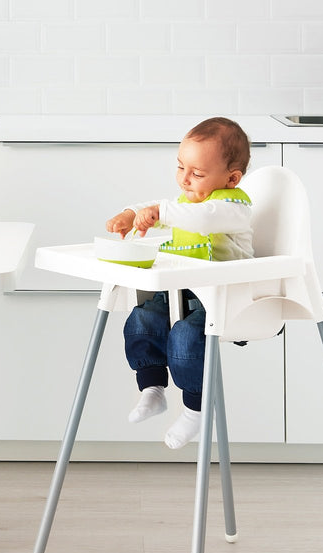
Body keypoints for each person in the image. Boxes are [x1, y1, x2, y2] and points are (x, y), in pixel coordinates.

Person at [106, 117, 253, 449]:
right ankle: (152, 388)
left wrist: (159, 212)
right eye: (180, 167)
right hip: (183, 289)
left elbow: (200, 217)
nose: (185, 180)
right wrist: (132, 214)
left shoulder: (233, 206)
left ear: (231, 178)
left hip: (224, 297)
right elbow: (166, 206)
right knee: (141, 317)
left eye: (197, 174)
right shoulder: (186, 201)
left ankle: (195, 408)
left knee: (186, 336)